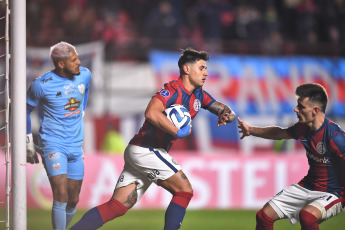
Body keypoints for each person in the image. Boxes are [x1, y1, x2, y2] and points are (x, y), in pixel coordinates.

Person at [70, 48, 236, 230]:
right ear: (187, 69)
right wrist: (176, 131)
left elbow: (220, 107)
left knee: (117, 206)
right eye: (201, 68)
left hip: (143, 151)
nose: (206, 73)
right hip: (146, 149)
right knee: (184, 191)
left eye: (206, 69)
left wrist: (229, 114)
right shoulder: (172, 90)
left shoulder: (198, 94)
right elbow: (151, 112)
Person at [237, 83, 345, 230]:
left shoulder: (335, 137)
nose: (296, 109)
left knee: (307, 217)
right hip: (308, 185)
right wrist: (250, 130)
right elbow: (279, 133)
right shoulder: (302, 128)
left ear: (315, 111)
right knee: (264, 216)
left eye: (301, 107)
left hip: (334, 192)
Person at [26, 41, 91, 230]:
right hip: (53, 144)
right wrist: (28, 141)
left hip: (76, 145)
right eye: (74, 60)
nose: (79, 62)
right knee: (61, 194)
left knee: (73, 199)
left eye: (78, 57)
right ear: (61, 64)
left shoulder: (85, 75)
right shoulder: (41, 84)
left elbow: (85, 90)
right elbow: (24, 109)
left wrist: (83, 110)